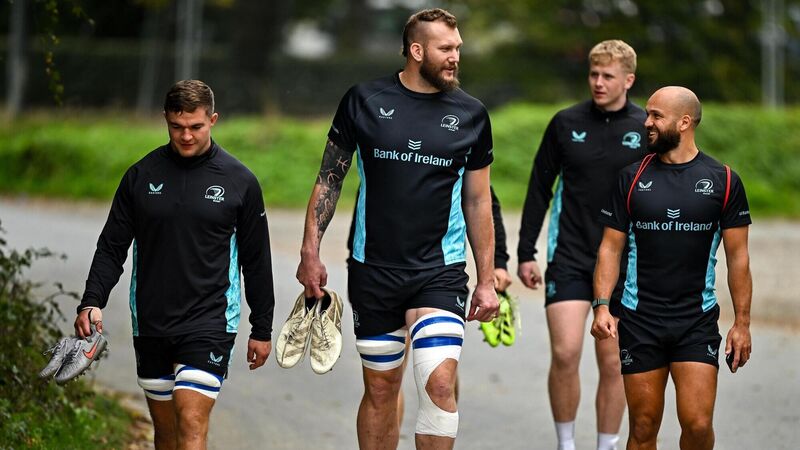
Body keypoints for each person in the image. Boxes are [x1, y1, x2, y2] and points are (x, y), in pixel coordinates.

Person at [295, 8, 498, 449]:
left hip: (439, 272)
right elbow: (329, 178)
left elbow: (478, 200)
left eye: (458, 48)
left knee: (439, 382)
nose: (455, 57)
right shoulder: (363, 100)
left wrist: (487, 279)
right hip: (374, 270)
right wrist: (310, 253)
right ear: (416, 50)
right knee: (382, 389)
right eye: (446, 49)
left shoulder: (471, 114)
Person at [73, 80, 275, 450]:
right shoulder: (140, 176)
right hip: (152, 320)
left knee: (192, 419)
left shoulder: (240, 181)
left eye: (196, 126)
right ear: (165, 119)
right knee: (166, 433)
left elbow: (257, 259)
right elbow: (112, 247)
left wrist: (262, 327)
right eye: (176, 126)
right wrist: (92, 300)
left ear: (213, 120)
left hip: (210, 320)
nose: (186, 136)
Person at [591, 86, 752, 450]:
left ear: (684, 122)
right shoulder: (630, 178)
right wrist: (602, 306)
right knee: (643, 427)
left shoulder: (724, 181)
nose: (646, 122)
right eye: (647, 114)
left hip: (695, 320)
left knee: (698, 425)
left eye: (656, 116)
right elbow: (610, 248)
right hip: (640, 320)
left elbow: (738, 258)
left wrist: (742, 324)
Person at [517, 40, 647, 450]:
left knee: (612, 360)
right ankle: (566, 443)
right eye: (593, 74)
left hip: (624, 262)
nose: (598, 82)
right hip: (570, 254)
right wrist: (525, 252)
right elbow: (540, 188)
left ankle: (606, 444)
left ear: (628, 80)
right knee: (566, 352)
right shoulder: (565, 122)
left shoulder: (645, 126)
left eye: (608, 76)